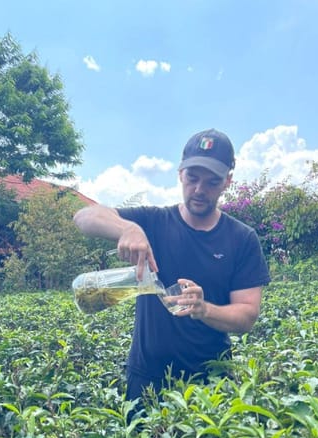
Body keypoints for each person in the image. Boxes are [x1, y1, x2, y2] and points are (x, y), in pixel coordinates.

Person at [73, 129, 270, 408]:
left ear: (227, 181)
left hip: (210, 383)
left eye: (212, 181)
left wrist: (204, 310)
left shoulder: (242, 238)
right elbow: (84, 217)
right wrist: (127, 228)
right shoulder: (152, 222)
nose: (199, 190)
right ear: (180, 174)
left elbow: (247, 315)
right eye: (192, 178)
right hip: (147, 381)